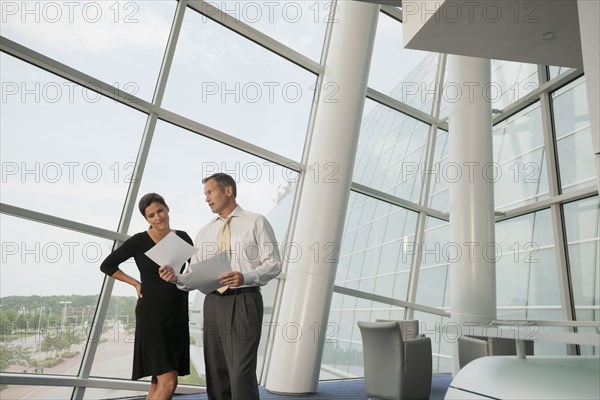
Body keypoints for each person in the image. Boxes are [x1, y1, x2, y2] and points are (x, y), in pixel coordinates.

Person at [160, 173, 282, 400]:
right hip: (213, 303)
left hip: (244, 299)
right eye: (204, 194)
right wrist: (176, 278)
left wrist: (245, 277)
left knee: (240, 372)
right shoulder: (205, 231)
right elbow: (193, 275)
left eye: (210, 192)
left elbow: (274, 263)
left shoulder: (256, 221)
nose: (206, 199)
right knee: (217, 371)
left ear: (228, 190)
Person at [100, 193, 192, 400]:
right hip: (153, 315)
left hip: (177, 314)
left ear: (167, 209)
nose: (158, 217)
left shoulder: (183, 237)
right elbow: (107, 265)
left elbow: (193, 271)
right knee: (169, 382)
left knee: (157, 382)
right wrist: (134, 283)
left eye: (160, 211)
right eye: (151, 215)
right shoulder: (139, 241)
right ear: (146, 219)